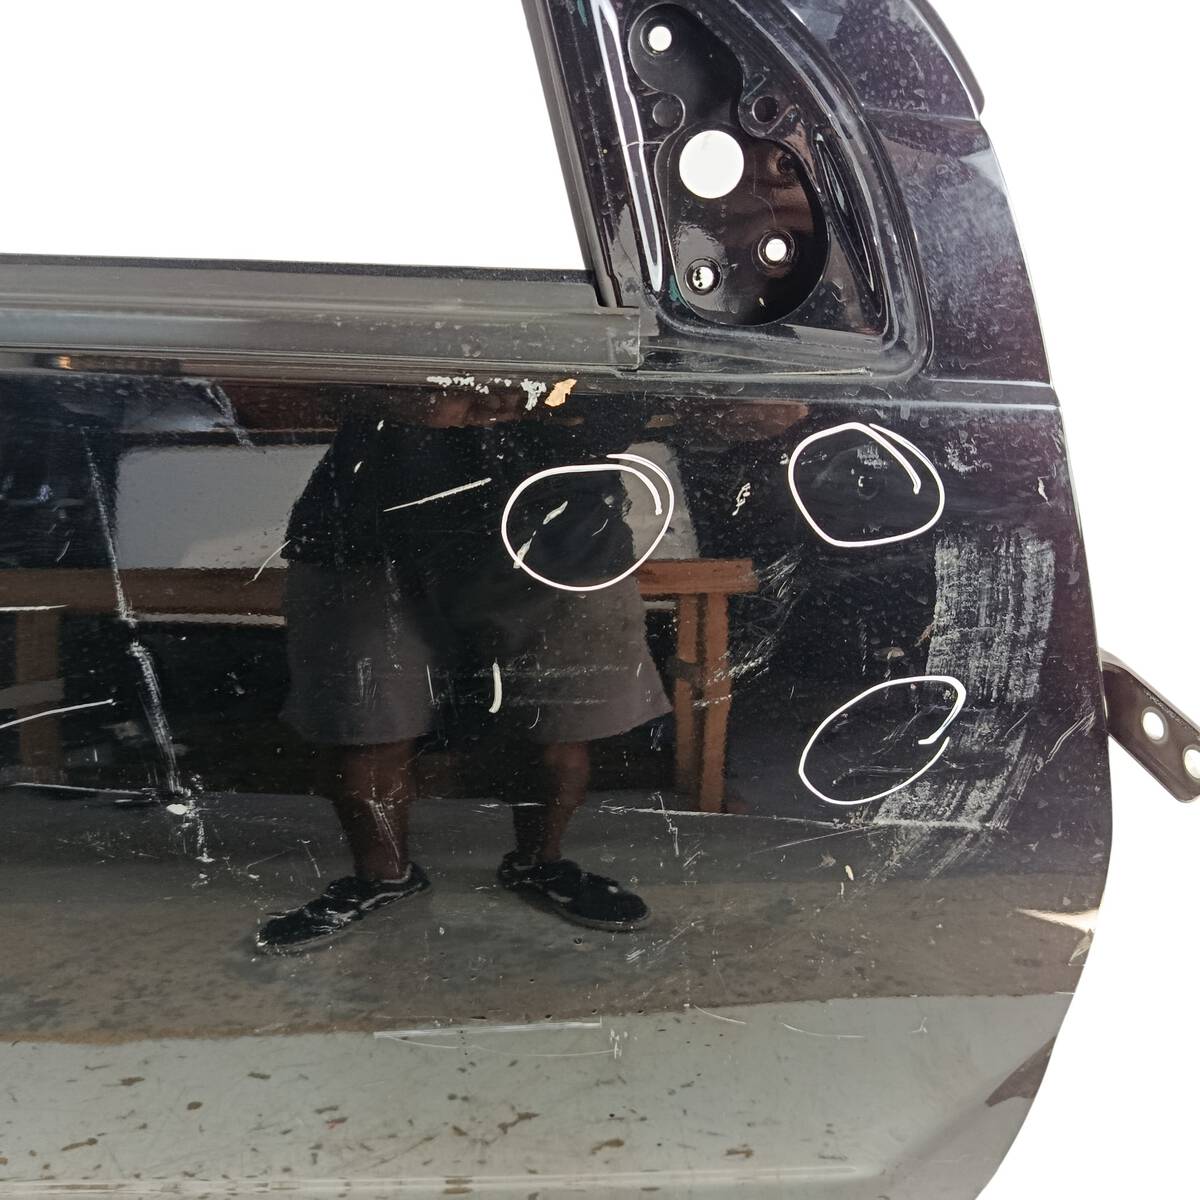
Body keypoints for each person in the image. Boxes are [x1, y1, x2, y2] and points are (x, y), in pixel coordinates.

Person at [254, 387, 670, 952]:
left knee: (561, 725)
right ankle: (388, 875)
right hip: (372, 527)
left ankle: (537, 861)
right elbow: (253, 392)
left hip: (557, 529)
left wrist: (543, 399)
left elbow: (659, 381)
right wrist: (386, 400)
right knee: (364, 728)